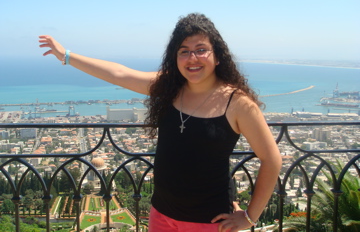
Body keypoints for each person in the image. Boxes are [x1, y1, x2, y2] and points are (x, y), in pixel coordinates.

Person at [39, 13, 282, 232]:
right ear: (175, 57)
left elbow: (272, 159)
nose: (192, 57)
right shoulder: (170, 88)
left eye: (201, 49)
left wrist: (250, 217)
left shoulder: (237, 103)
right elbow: (119, 74)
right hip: (161, 215)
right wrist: (66, 56)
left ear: (217, 56)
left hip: (208, 221)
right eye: (184, 51)